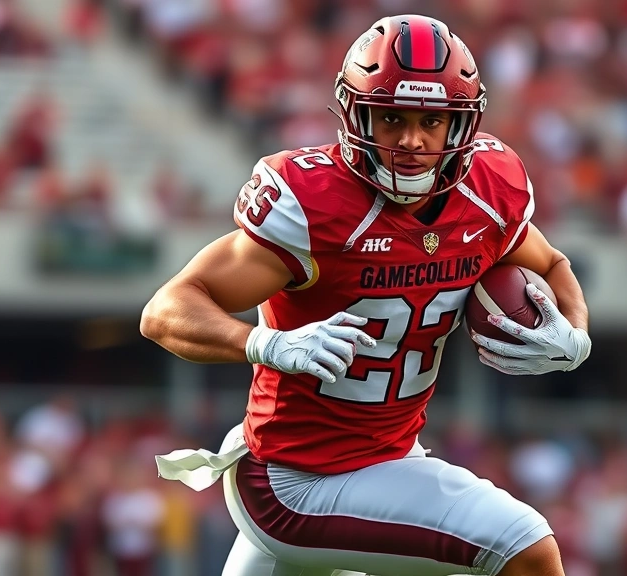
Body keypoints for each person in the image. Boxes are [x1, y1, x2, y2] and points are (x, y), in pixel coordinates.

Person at [142, 14, 591, 576]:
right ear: (355, 114)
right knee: (526, 550)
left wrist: (575, 333)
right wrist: (265, 344)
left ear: (461, 126)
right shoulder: (314, 205)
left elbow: (550, 263)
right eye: (391, 118)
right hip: (295, 480)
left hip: (389, 457)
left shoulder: (490, 191)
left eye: (431, 121)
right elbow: (165, 311)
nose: (411, 140)